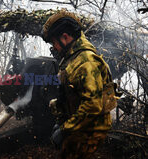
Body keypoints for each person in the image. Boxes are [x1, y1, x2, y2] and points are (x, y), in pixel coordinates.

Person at [42, 10, 120, 158]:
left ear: (65, 37)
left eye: (54, 42)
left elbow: (92, 105)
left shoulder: (86, 62)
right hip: (81, 124)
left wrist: (65, 129)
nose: (54, 47)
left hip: (89, 129)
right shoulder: (72, 56)